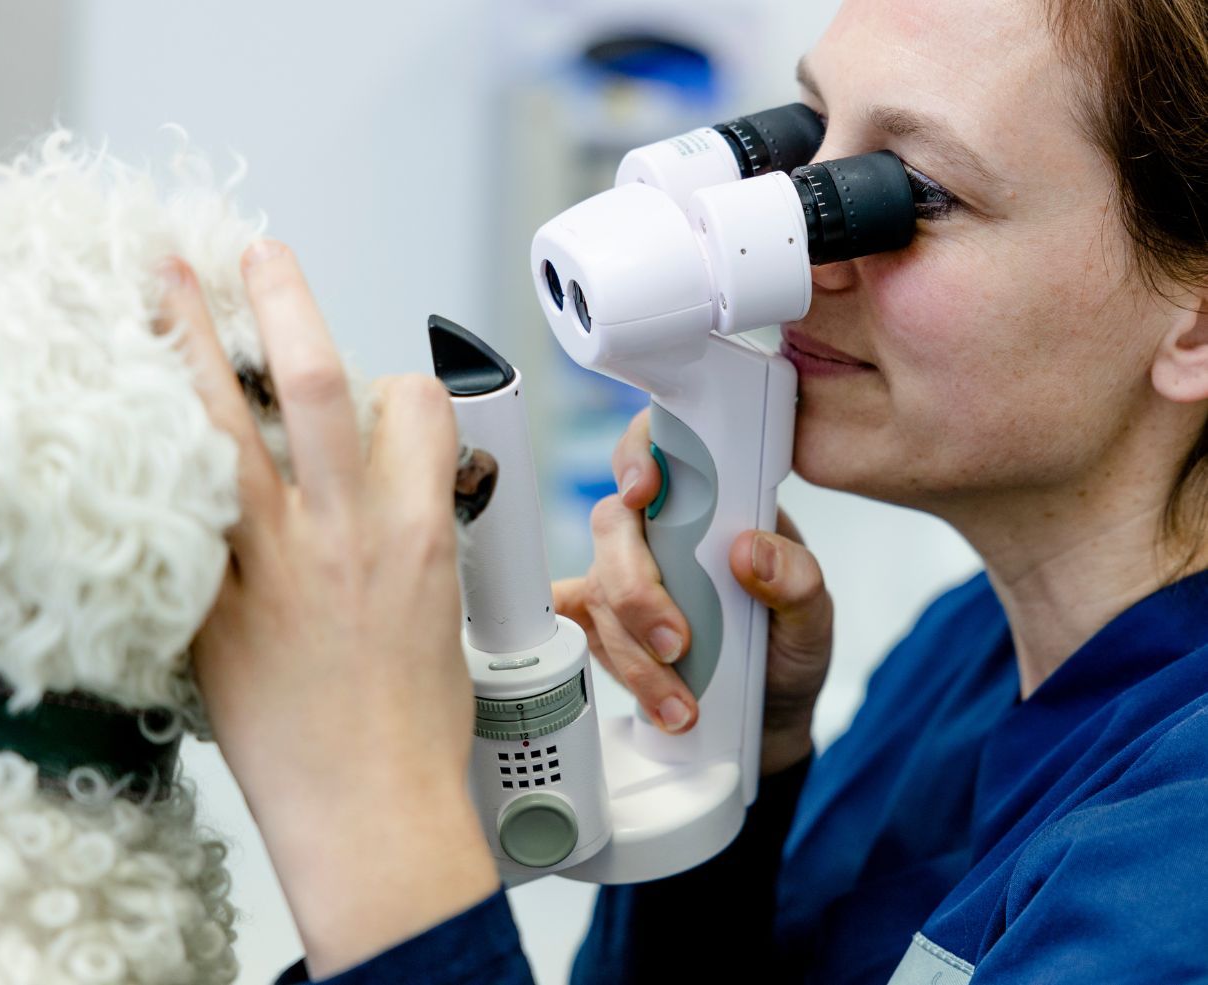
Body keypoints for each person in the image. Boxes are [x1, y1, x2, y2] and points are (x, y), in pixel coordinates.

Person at [168, 0, 1208, 980]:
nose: (797, 257)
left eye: (908, 189)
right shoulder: (968, 654)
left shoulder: (1178, 874)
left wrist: (364, 807)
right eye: (803, 142)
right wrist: (734, 763)